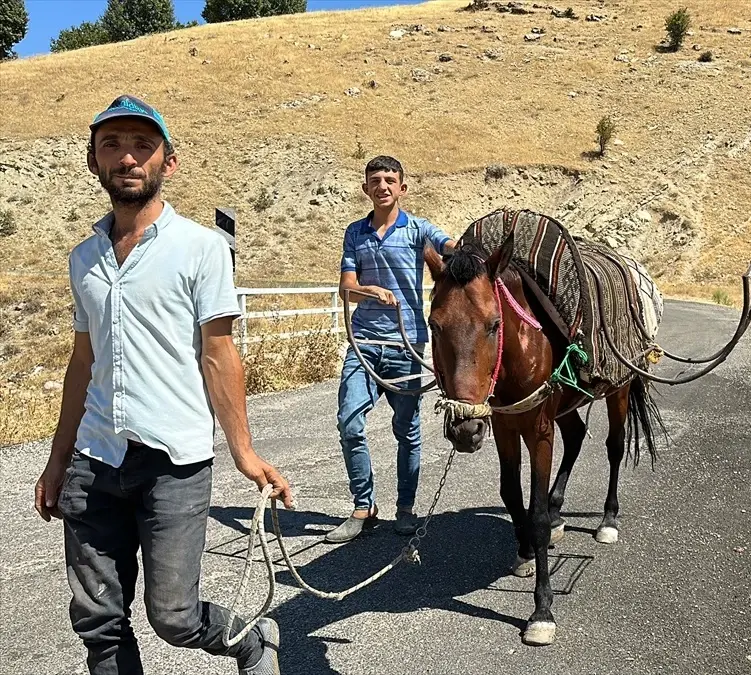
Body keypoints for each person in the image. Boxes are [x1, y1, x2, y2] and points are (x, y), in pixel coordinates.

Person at [33, 94, 294, 675]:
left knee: (173, 615)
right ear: (94, 161)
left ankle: (249, 638)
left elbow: (219, 354)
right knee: (98, 622)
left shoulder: (201, 248)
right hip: (94, 460)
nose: (127, 157)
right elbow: (84, 362)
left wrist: (244, 452)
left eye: (142, 146)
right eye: (112, 145)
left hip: (173, 461)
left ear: (167, 162)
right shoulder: (83, 259)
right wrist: (56, 461)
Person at [326, 155, 456, 543]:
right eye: (375, 180)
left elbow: (449, 246)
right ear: (366, 188)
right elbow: (346, 288)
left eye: (389, 179)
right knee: (349, 422)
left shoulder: (416, 229)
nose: (382, 185)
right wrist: (369, 290)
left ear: (402, 187)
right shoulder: (355, 233)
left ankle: (405, 509)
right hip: (364, 344)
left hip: (406, 344)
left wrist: (467, 249)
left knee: (407, 430)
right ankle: (363, 507)